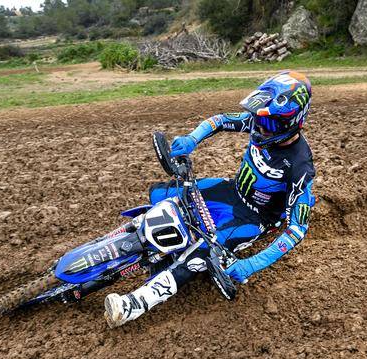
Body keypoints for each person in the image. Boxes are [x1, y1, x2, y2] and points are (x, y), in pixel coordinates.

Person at [104, 70, 316, 328]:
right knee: (161, 194)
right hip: (231, 190)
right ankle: (114, 244)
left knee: (200, 255)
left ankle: (134, 304)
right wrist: (192, 139)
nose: (260, 127)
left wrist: (251, 265)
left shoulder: (300, 166)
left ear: (292, 121)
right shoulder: (260, 122)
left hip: (252, 217)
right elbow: (221, 120)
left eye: (269, 123)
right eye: (259, 119)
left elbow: (297, 229)